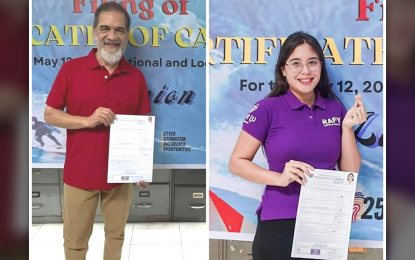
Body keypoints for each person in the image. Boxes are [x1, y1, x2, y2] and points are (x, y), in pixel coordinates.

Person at [228, 31, 367, 260]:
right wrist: (279, 178)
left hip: (324, 219)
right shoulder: (267, 108)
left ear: (321, 67)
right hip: (279, 220)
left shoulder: (335, 110)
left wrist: (347, 128)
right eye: (296, 63)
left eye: (312, 62)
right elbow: (236, 163)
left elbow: (349, 172)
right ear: (283, 69)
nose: (305, 71)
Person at [43, 2, 151, 260]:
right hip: (80, 174)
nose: (112, 36)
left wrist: (140, 167)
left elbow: (141, 126)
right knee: (75, 242)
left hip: (120, 178)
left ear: (126, 35)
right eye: (105, 29)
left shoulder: (136, 77)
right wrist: (87, 120)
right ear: (94, 32)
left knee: (116, 237)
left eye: (119, 30)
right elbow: (49, 114)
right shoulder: (71, 70)